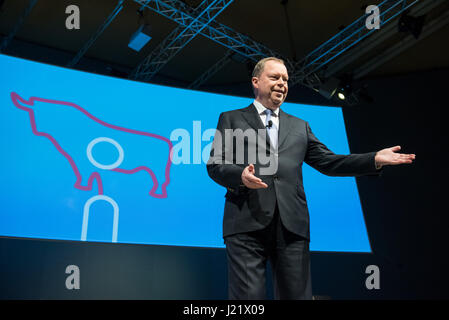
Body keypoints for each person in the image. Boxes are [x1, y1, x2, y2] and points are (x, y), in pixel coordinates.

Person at [206, 57, 416, 300]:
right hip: (246, 222)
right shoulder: (231, 118)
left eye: (285, 79)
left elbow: (329, 162)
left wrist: (373, 159)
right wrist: (241, 176)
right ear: (256, 81)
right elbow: (215, 164)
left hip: (292, 226)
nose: (282, 83)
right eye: (275, 77)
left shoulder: (300, 126)